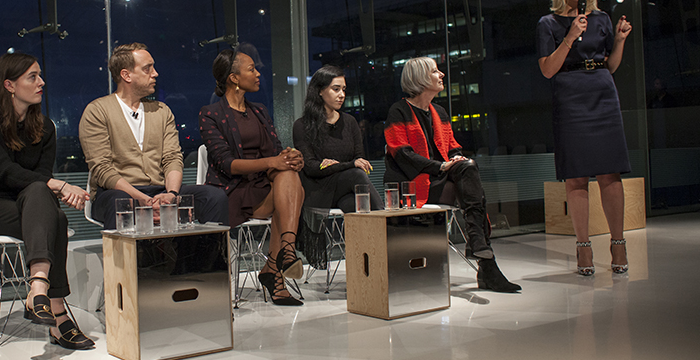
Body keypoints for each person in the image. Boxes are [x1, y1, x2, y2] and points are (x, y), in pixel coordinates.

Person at [0, 52, 93, 351]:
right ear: (9, 85)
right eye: (32, 77)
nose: (41, 82)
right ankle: (60, 317)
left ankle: (38, 289)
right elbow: (1, 172)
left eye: (40, 75)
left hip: (30, 206)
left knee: (44, 203)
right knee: (53, 215)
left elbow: (39, 178)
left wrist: (50, 186)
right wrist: (60, 186)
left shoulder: (45, 128)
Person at [384, 57, 521, 293]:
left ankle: (479, 246)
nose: (442, 75)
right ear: (419, 78)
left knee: (467, 166)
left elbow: (452, 147)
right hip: (412, 183)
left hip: (442, 178)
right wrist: (439, 167)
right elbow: (401, 153)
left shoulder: (439, 111)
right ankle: (484, 259)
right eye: (436, 71)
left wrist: (456, 158)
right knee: (468, 183)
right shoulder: (398, 111)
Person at [537, 0, 632, 276]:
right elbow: (548, 70)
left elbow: (612, 65)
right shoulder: (548, 23)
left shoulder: (602, 18)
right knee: (576, 176)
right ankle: (583, 248)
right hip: (570, 94)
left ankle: (618, 242)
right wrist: (570, 35)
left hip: (602, 92)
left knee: (610, 173)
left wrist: (619, 41)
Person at [79, 42, 228, 230]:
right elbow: (102, 169)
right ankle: (130, 259)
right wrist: (143, 200)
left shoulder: (161, 111)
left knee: (213, 197)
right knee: (120, 203)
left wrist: (171, 195)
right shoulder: (97, 111)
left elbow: (172, 158)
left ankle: (208, 259)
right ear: (126, 75)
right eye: (147, 69)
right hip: (118, 193)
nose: (155, 73)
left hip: (162, 191)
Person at [199, 48, 306, 306]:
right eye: (251, 69)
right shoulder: (210, 114)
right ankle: (275, 268)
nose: (258, 74)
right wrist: (275, 162)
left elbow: (275, 151)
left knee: (289, 176)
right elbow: (226, 164)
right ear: (234, 78)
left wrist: (291, 159)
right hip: (231, 191)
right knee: (288, 192)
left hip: (261, 185)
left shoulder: (259, 111)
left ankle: (283, 255)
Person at [293, 65, 382, 213]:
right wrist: (350, 165)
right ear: (320, 91)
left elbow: (359, 159)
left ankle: (379, 227)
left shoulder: (350, 122)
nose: (342, 95)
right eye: (336, 89)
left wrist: (338, 165)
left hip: (344, 189)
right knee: (356, 175)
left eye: (344, 89)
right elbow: (311, 167)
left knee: (353, 205)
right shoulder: (302, 125)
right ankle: (387, 219)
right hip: (319, 189)